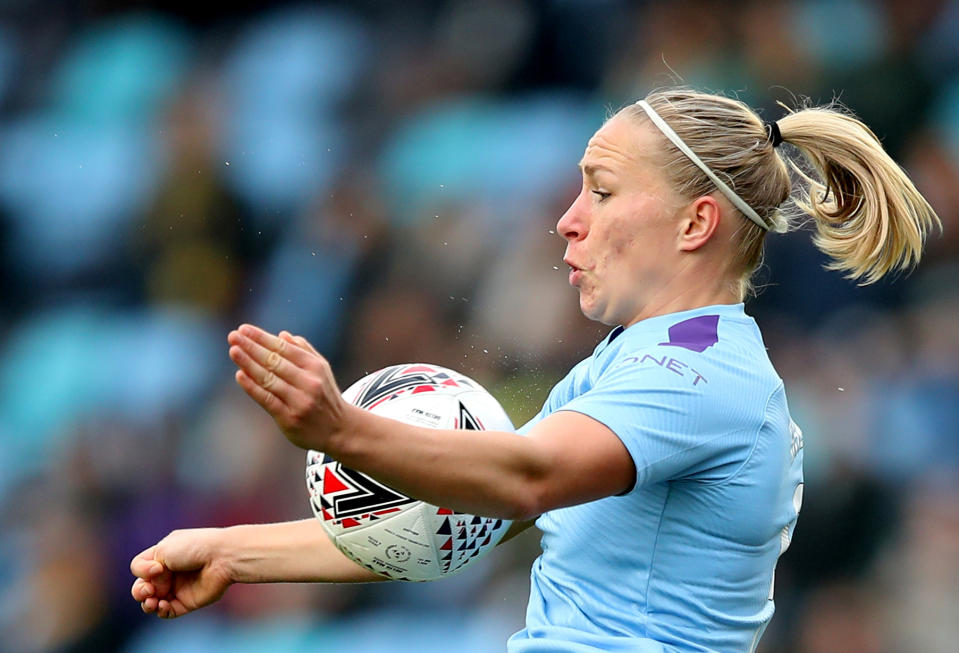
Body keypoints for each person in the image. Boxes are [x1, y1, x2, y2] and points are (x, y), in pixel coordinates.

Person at [130, 88, 939, 652]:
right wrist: (235, 553)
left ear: (696, 222)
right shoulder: (626, 367)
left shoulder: (705, 376)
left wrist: (341, 427)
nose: (566, 219)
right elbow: (445, 520)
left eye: (601, 189)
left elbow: (525, 477)